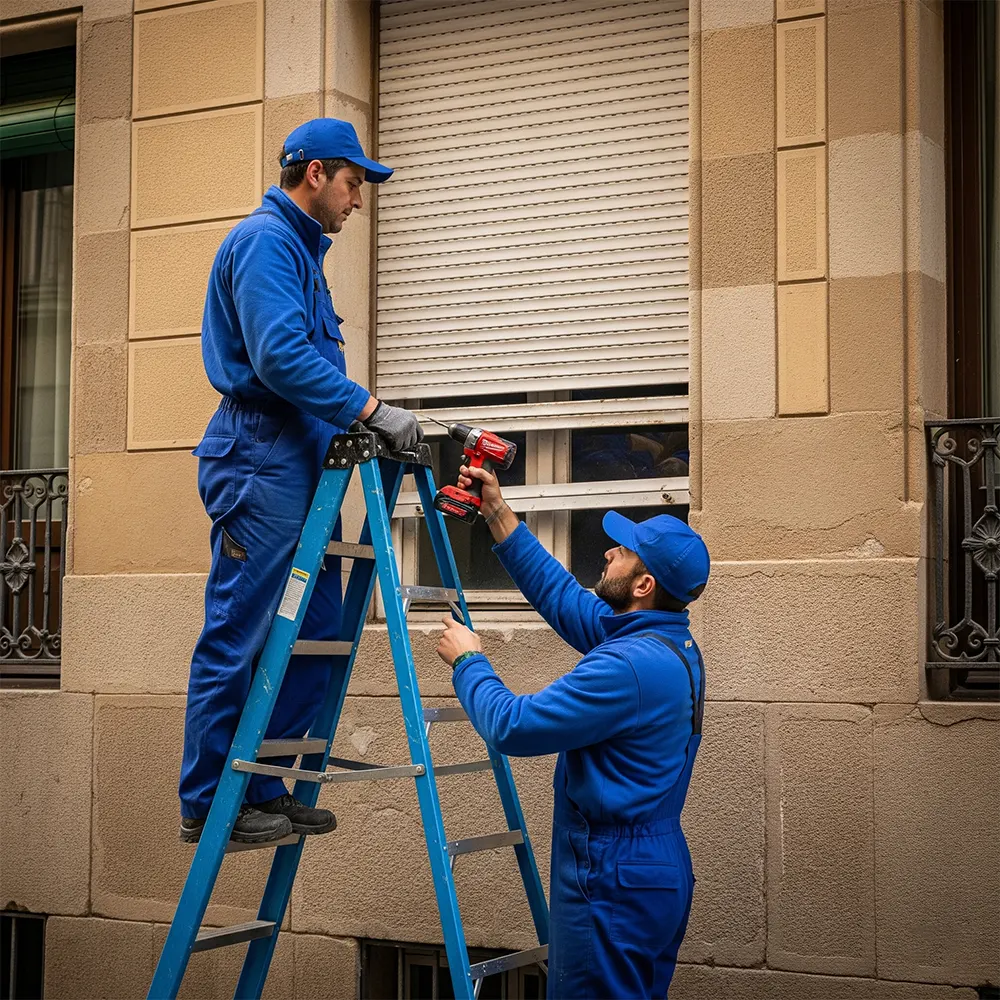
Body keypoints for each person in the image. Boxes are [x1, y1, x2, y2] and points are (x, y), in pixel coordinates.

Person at [178, 118, 423, 845]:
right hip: (261, 465)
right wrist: (372, 409)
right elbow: (281, 357)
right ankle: (206, 802)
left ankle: (264, 788)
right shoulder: (264, 243)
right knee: (240, 636)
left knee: (313, 636)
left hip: (305, 470)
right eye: (353, 184)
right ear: (314, 173)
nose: (357, 201)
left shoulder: (301, 254)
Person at [436, 463, 709, 999]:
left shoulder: (626, 667)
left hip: (612, 879)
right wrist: (496, 511)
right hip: (651, 870)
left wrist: (470, 662)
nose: (608, 551)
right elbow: (565, 598)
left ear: (643, 584)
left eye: (623, 551)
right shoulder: (663, 640)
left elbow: (513, 727)